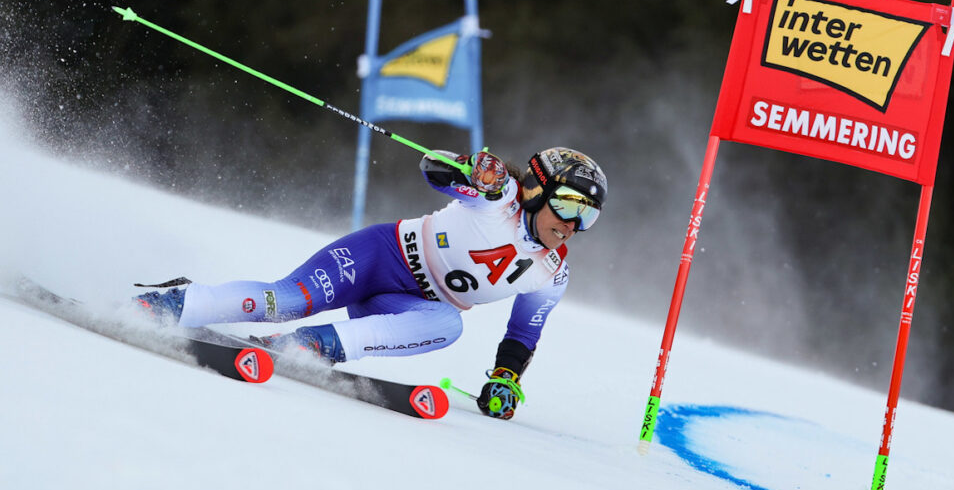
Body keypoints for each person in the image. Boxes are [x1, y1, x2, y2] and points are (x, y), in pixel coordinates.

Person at [135, 147, 608, 419]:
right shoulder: (500, 196)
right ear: (536, 190)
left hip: (406, 305)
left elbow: (523, 334)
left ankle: (307, 346)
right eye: (568, 205)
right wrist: (472, 169)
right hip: (378, 256)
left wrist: (505, 381)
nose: (572, 224)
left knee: (448, 324)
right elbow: (434, 168)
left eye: (587, 216)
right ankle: (177, 304)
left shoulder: (553, 273)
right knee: (290, 298)